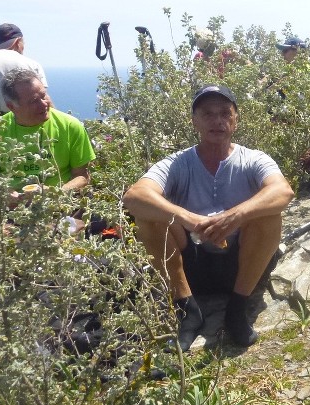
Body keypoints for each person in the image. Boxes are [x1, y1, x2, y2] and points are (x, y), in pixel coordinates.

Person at [123, 85, 295, 350]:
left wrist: (235, 216)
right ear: (195, 121)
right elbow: (134, 196)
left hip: (242, 264)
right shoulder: (178, 163)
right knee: (151, 216)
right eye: (207, 114)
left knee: (268, 215)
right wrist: (189, 219)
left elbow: (283, 191)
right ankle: (187, 309)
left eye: (225, 113)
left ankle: (237, 309)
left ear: (236, 120)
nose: (217, 121)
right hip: (192, 266)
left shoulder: (253, 159)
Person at [0, 67, 94, 194]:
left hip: (60, 205)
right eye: (33, 101)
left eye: (43, 96)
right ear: (12, 107)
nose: (44, 104)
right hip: (11, 208)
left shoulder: (70, 126)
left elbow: (82, 176)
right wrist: (5, 194)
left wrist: (55, 193)